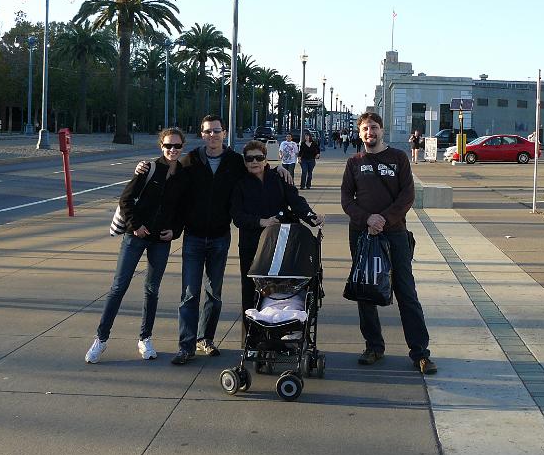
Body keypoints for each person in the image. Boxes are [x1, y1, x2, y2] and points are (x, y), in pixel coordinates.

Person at [134, 115, 292, 365]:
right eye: (207, 132)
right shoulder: (191, 160)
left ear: (224, 132)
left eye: (217, 131)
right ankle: (185, 346)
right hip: (194, 237)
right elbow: (169, 173)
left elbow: (256, 166)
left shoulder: (234, 161)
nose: (212, 135)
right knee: (189, 294)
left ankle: (205, 339)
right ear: (202, 134)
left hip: (220, 237)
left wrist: (278, 168)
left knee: (213, 293)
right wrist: (144, 167)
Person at [340, 112, 436, 375]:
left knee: (405, 291)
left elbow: (408, 195)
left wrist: (384, 219)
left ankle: (420, 352)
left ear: (382, 130)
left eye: (373, 127)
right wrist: (367, 219)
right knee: (366, 290)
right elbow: (347, 199)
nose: (369, 132)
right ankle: (373, 347)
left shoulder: (398, 158)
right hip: (362, 234)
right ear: (359, 134)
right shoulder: (354, 162)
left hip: (395, 233)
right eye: (364, 129)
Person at [85, 128, 188, 364]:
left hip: (160, 241)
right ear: (160, 146)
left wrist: (175, 231)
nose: (173, 150)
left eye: (177, 146)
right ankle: (101, 339)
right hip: (136, 236)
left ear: (183, 147)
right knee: (119, 287)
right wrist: (135, 226)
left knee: (152, 290)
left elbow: (183, 209)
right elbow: (125, 199)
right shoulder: (149, 168)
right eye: (168, 146)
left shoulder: (184, 175)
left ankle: (145, 338)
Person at [231, 140, 323, 341]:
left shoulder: (279, 178)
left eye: (259, 157)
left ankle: (286, 329)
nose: (254, 162)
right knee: (251, 290)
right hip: (253, 244)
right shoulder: (240, 183)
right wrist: (262, 222)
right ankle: (252, 338)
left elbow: (296, 201)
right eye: (249, 159)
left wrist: (311, 216)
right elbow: (237, 216)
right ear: (244, 162)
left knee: (285, 285)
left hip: (281, 242)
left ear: (266, 160)